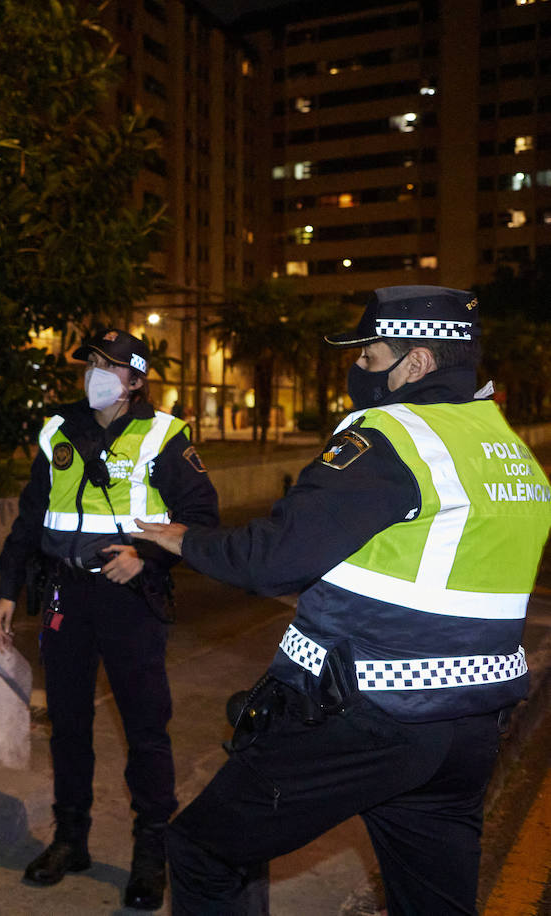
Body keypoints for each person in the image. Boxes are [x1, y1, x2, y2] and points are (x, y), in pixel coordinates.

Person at [135, 285, 551, 915]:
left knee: (201, 850)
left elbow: (273, 559)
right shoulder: (506, 448)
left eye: (370, 355)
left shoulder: (391, 435)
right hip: (467, 728)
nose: (359, 370)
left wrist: (185, 540)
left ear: (417, 363)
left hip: (363, 715)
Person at [0, 328, 219, 909]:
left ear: (137, 381)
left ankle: (151, 853)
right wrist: (9, 589)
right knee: (68, 726)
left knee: (146, 729)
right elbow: (30, 515)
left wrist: (143, 561)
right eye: (92, 362)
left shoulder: (164, 435)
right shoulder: (58, 430)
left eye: (111, 367)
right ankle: (71, 840)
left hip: (130, 600)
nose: (96, 373)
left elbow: (200, 520)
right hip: (65, 593)